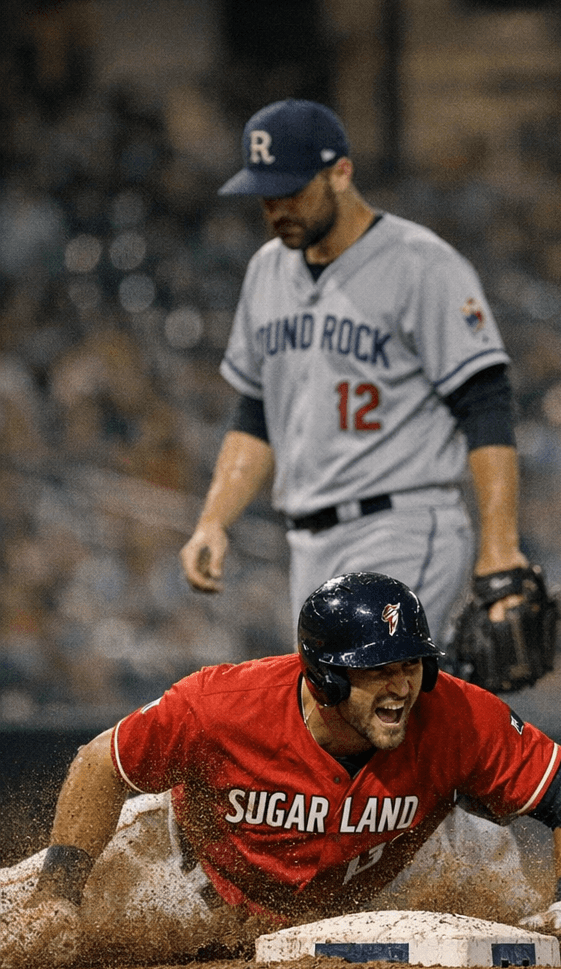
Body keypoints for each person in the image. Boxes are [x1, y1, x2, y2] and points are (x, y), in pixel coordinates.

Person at [0, 573, 561, 969]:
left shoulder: (456, 715)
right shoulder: (221, 704)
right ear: (324, 674)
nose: (401, 685)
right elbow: (99, 764)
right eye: (376, 668)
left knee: (494, 871)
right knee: (23, 936)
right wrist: (58, 896)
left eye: (410, 664)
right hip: (173, 873)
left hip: (340, 906)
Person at [179, 97, 535, 650]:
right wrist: (213, 521)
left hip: (403, 521)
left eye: (292, 191)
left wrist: (500, 544)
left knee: (359, 697)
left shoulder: (422, 263)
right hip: (306, 541)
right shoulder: (266, 271)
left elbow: (485, 403)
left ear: (341, 173)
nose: (276, 209)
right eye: (265, 196)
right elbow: (254, 415)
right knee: (336, 720)